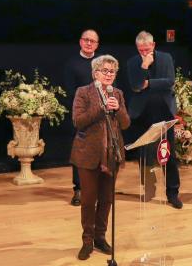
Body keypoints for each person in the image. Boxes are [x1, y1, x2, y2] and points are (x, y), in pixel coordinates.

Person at [70, 55, 130, 261]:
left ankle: (100, 237)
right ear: (95, 73)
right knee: (88, 200)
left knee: (106, 199)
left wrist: (118, 108)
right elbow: (78, 121)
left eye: (112, 71)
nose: (109, 75)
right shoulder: (83, 92)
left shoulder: (118, 94)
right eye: (105, 70)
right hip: (87, 154)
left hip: (111, 154)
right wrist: (101, 108)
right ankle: (87, 241)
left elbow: (125, 124)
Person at [125, 31, 183, 209]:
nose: (144, 52)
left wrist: (149, 83)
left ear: (154, 45)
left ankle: (172, 193)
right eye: (141, 50)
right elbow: (135, 86)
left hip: (164, 113)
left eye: (147, 49)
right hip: (142, 113)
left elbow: (170, 81)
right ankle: (148, 189)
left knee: (168, 154)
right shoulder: (133, 62)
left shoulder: (166, 58)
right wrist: (144, 65)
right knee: (145, 155)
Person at [63, 29, 99, 206]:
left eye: (93, 41)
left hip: (101, 116)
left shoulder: (102, 63)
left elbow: (112, 85)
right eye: (86, 40)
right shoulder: (72, 64)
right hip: (82, 116)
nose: (89, 43)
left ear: (97, 45)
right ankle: (78, 190)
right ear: (80, 42)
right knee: (80, 154)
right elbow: (70, 92)